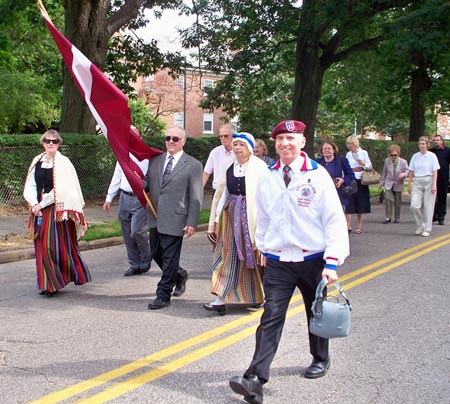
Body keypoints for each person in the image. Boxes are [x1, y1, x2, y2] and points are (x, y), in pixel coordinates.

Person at [229, 120, 349, 404]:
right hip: (279, 261)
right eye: (280, 138)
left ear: (302, 142)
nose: (285, 143)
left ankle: (320, 357)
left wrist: (331, 262)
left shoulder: (317, 176)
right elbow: (265, 217)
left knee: (315, 312)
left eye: (291, 138)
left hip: (313, 259)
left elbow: (333, 220)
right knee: (271, 316)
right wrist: (264, 248)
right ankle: (255, 379)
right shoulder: (268, 176)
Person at [203, 132, 266, 315]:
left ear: (250, 148)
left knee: (252, 259)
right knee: (225, 255)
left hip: (251, 220)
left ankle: (257, 296)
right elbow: (222, 194)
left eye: (242, 145)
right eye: (236, 144)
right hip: (230, 217)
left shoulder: (259, 168)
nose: (237, 148)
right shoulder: (230, 167)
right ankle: (220, 299)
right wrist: (214, 221)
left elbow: (263, 198)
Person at [23, 129, 91, 297]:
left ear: (59, 143)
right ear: (43, 142)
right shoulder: (37, 161)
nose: (51, 143)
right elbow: (30, 184)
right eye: (47, 140)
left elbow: (62, 188)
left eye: (54, 141)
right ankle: (48, 283)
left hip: (56, 209)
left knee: (54, 246)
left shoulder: (64, 163)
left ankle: (62, 277)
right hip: (38, 208)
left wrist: (42, 204)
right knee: (41, 246)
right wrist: (33, 204)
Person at [143, 125, 203, 309]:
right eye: (168, 138)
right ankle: (178, 274)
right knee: (156, 252)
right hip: (155, 215)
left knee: (169, 257)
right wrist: (136, 180)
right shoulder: (155, 160)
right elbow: (147, 181)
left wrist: (192, 222)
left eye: (175, 139)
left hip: (176, 217)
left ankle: (163, 294)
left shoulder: (193, 165)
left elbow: (195, 196)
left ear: (183, 142)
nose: (170, 141)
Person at [103, 127, 151, 277]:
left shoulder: (147, 157)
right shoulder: (122, 156)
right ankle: (134, 264)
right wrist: (109, 198)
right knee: (127, 233)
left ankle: (146, 255)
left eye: (134, 136)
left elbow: (152, 179)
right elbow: (116, 178)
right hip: (124, 197)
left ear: (140, 138)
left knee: (136, 231)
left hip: (140, 198)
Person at [408, 136, 440, 237]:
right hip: (418, 180)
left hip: (429, 180)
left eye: (423, 144)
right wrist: (409, 184)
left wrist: (434, 184)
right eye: (420, 144)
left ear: (427, 145)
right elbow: (411, 171)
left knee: (428, 206)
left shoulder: (432, 156)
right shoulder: (415, 156)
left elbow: (435, 171)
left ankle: (427, 229)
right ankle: (421, 224)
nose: (421, 145)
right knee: (414, 206)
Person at [344, 136, 373, 234]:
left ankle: (359, 225)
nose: (349, 146)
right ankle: (348, 224)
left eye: (350, 144)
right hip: (351, 179)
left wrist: (363, 163)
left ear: (355, 144)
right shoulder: (348, 154)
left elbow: (370, 166)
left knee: (360, 202)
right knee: (349, 201)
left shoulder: (363, 153)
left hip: (361, 179)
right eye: (347, 144)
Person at [316, 140, 355, 210]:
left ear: (334, 150)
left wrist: (343, 180)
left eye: (329, 148)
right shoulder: (317, 162)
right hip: (322, 196)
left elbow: (351, 175)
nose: (326, 150)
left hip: (338, 195)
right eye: (324, 149)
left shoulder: (342, 161)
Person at [379, 145, 409, 224]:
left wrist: (404, 175)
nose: (393, 156)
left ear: (398, 154)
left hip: (398, 183)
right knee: (388, 199)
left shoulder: (403, 162)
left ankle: (397, 217)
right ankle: (388, 217)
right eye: (392, 155)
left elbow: (408, 171)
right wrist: (381, 183)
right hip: (389, 183)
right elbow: (384, 173)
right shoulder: (387, 161)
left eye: (395, 155)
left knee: (397, 202)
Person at [202, 123, 235, 192]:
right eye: (221, 136)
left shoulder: (239, 152)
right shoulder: (215, 152)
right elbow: (206, 173)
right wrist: (198, 192)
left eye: (226, 136)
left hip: (234, 192)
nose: (223, 138)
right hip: (218, 191)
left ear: (233, 136)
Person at [430, 134, 450, 225]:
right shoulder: (430, 152)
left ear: (441, 141)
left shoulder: (447, 151)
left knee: (442, 198)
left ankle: (441, 217)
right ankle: (433, 216)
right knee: (432, 198)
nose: (436, 142)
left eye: (437, 140)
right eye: (434, 140)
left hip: (443, 178)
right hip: (432, 178)